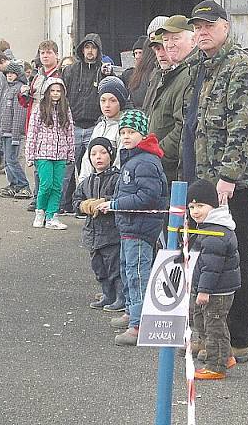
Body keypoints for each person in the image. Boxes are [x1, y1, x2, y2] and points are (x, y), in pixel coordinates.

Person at [183, 0, 248, 361]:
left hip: (230, 183)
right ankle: (208, 336)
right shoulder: (203, 66)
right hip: (207, 178)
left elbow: (244, 126)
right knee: (206, 258)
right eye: (197, 27)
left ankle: (237, 340)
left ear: (225, 27)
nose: (202, 32)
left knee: (235, 259)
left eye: (208, 25)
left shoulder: (240, 67)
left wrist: (228, 177)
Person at [99, 110, 168, 347]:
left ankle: (138, 324)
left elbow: (147, 196)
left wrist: (116, 205)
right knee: (128, 270)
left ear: (143, 134)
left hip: (139, 227)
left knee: (137, 274)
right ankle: (131, 311)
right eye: (124, 132)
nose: (126, 136)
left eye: (132, 132)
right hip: (129, 227)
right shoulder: (133, 159)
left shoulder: (145, 161)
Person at [186, 179, 241, 381]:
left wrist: (204, 291)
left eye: (200, 206)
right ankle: (225, 356)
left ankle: (216, 366)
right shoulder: (208, 227)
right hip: (212, 288)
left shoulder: (214, 233)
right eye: (192, 207)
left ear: (213, 205)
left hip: (216, 291)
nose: (195, 211)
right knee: (206, 321)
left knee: (214, 326)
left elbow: (212, 267)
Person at [73, 137, 124, 312]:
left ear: (111, 155)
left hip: (111, 233)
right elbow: (76, 201)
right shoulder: (86, 181)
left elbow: (120, 199)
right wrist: (83, 206)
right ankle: (107, 294)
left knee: (114, 266)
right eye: (94, 154)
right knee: (98, 267)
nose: (98, 157)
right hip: (92, 233)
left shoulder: (117, 178)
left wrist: (105, 202)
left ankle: (120, 297)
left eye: (103, 153)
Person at [60, 34, 107, 215]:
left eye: (93, 47)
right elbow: (62, 96)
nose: (90, 51)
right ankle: (61, 205)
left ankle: (85, 207)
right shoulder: (71, 70)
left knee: (91, 170)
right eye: (87, 47)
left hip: (94, 126)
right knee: (66, 169)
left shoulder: (103, 72)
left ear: (98, 50)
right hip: (73, 125)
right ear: (81, 49)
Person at [147, 15, 196, 183]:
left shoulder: (188, 75)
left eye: (175, 38)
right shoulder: (166, 76)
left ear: (193, 39)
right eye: (166, 40)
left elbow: (182, 127)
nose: (169, 45)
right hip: (167, 169)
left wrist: (156, 153)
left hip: (175, 169)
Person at [25, 78, 74, 230]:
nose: (55, 94)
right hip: (43, 153)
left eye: (58, 91)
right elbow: (32, 132)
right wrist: (30, 154)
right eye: (52, 90)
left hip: (61, 154)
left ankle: (52, 215)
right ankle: (40, 212)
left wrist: (70, 153)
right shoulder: (39, 109)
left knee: (57, 186)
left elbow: (70, 132)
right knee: (45, 184)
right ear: (47, 92)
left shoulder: (65, 110)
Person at [22, 40, 62, 212]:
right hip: (34, 123)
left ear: (56, 55)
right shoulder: (37, 77)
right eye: (42, 53)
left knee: (54, 171)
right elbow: (30, 101)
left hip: (52, 127)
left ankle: (53, 205)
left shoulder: (60, 76)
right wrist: (23, 95)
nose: (45, 56)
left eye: (49, 53)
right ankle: (37, 198)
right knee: (39, 166)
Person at [78, 76, 128, 182]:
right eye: (103, 100)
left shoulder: (124, 128)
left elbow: (120, 161)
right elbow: (87, 159)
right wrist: (83, 186)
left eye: (113, 100)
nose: (107, 105)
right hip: (93, 186)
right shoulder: (99, 127)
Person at [0, 62, 32, 200]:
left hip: (13, 133)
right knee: (7, 161)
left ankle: (24, 185)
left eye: (12, 73)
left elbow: (19, 114)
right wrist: (0, 133)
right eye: (7, 74)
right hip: (5, 131)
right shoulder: (7, 90)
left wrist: (16, 135)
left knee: (13, 160)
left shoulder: (19, 90)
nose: (9, 76)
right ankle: (13, 184)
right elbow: (2, 114)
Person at [125, 37, 158, 108]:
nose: (137, 56)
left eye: (140, 52)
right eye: (135, 53)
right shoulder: (130, 73)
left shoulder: (154, 73)